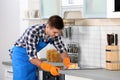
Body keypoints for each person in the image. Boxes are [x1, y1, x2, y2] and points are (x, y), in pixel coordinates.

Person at [10, 15, 73, 80]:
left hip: (32, 58)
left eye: (58, 33)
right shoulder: (33, 31)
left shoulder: (55, 34)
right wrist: (50, 68)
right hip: (20, 57)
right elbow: (32, 58)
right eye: (55, 32)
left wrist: (67, 62)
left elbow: (61, 49)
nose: (56, 35)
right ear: (47, 26)